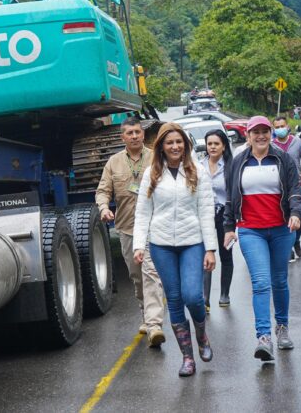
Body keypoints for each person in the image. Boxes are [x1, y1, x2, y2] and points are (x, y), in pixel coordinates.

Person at [132, 122, 217, 376]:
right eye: (169, 142)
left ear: (186, 144)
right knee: (175, 299)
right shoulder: (152, 174)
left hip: (192, 242)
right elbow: (142, 212)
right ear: (161, 146)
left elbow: (206, 211)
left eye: (179, 142)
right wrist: (139, 245)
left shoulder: (198, 171)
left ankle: (202, 336)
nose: (175, 146)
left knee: (193, 295)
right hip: (161, 245)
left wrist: (210, 248)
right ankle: (187, 358)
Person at [224, 116, 301, 362]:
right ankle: (264, 338)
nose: (261, 136)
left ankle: (282, 328)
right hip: (251, 230)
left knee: (279, 280)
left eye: (265, 131)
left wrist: (296, 214)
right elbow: (230, 196)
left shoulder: (283, 158)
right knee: (260, 282)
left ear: (270, 133)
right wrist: (229, 227)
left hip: (281, 229)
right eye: (255, 132)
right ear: (247, 135)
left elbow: (295, 191)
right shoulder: (238, 162)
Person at [96, 117, 167, 347]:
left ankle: (155, 324)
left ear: (143, 135)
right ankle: (145, 313)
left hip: (153, 226)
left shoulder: (156, 157)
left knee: (151, 273)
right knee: (137, 276)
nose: (135, 136)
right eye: (130, 133)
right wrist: (105, 208)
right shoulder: (113, 162)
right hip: (127, 228)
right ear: (122, 137)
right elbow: (103, 191)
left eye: (138, 132)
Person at [200, 129, 234, 308]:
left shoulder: (231, 165)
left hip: (225, 216)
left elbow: (234, 194)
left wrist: (232, 222)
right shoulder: (198, 165)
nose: (212, 147)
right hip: (205, 215)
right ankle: (205, 299)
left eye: (216, 144)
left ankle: (224, 294)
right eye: (209, 143)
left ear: (224, 146)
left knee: (225, 254)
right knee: (206, 254)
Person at [272, 116, 301, 262]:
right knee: (284, 217)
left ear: (287, 126)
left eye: (282, 126)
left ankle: (296, 240)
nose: (280, 129)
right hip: (278, 188)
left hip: (297, 185)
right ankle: (288, 246)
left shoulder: (297, 142)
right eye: (277, 127)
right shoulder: (272, 145)